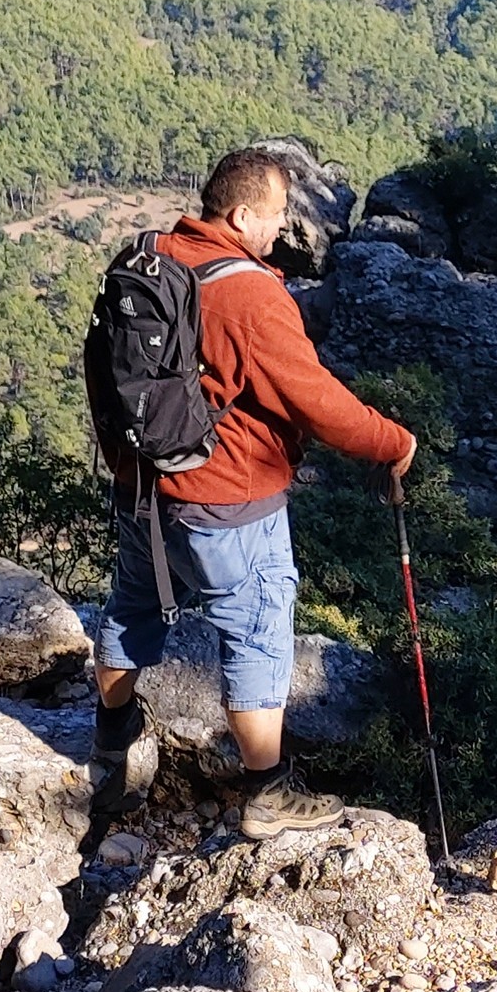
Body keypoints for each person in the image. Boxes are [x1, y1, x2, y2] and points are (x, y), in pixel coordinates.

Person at [87, 146, 417, 838]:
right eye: (273, 217)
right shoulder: (250, 295)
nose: (280, 230)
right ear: (239, 214)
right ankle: (267, 792)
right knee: (259, 633)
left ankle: (112, 746)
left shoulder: (149, 257)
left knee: (131, 608)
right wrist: (392, 442)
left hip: (143, 483)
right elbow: (316, 402)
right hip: (226, 501)